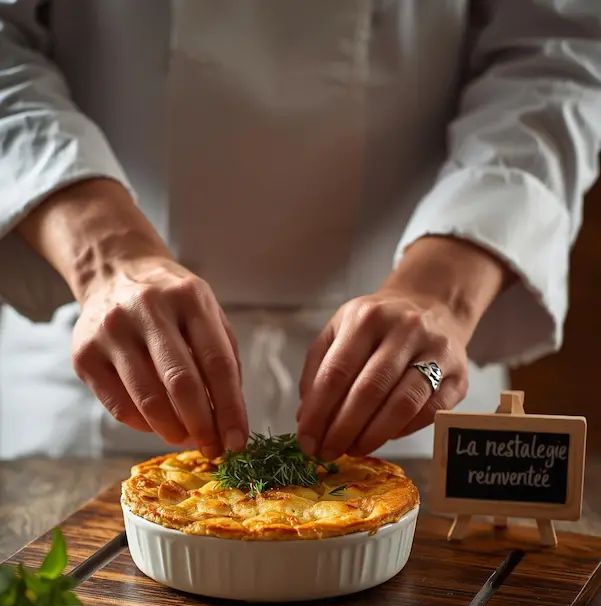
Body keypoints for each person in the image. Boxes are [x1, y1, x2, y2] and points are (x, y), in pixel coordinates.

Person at [1, 1, 600, 462]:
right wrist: (106, 260)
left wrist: (443, 293)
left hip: (410, 370)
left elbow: (558, 57)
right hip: (95, 367)